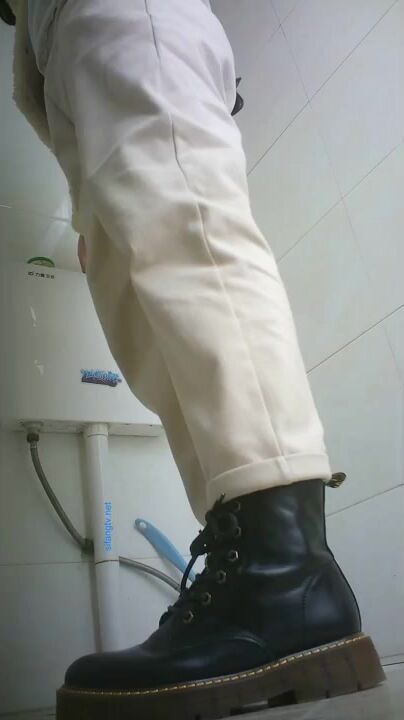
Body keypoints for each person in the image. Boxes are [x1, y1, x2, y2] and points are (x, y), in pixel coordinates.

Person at [8, 1, 384, 718]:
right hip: (51, 42)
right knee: (144, 297)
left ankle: (283, 574)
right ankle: (257, 567)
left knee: (184, 228)